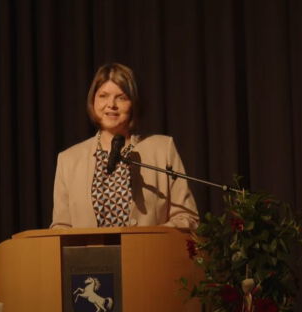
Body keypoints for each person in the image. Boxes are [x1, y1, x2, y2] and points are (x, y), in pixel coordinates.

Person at [51, 63, 199, 229]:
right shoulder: (69, 160)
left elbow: (187, 217)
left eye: (121, 97)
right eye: (103, 96)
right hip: (90, 255)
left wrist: (152, 239)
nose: (111, 104)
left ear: (133, 103)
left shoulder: (163, 149)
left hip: (146, 253)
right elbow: (60, 227)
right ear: (93, 100)